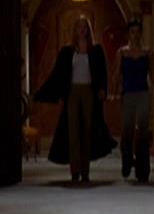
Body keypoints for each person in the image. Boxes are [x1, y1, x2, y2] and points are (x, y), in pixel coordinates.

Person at [34, 16, 115, 182]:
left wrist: (103, 89)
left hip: (89, 91)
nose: (82, 29)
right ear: (75, 30)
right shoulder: (67, 51)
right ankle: (75, 171)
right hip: (72, 92)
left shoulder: (96, 50)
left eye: (85, 26)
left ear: (89, 30)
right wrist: (58, 95)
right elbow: (59, 74)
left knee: (87, 130)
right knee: (73, 131)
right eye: (79, 26)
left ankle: (85, 171)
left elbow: (102, 72)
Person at [110, 18, 154, 183]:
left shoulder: (147, 53)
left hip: (143, 94)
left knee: (143, 132)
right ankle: (127, 162)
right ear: (128, 34)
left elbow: (152, 73)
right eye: (133, 32)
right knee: (127, 131)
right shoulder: (122, 53)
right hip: (128, 95)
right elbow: (117, 73)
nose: (136, 35)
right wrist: (113, 92)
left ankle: (142, 170)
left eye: (138, 32)